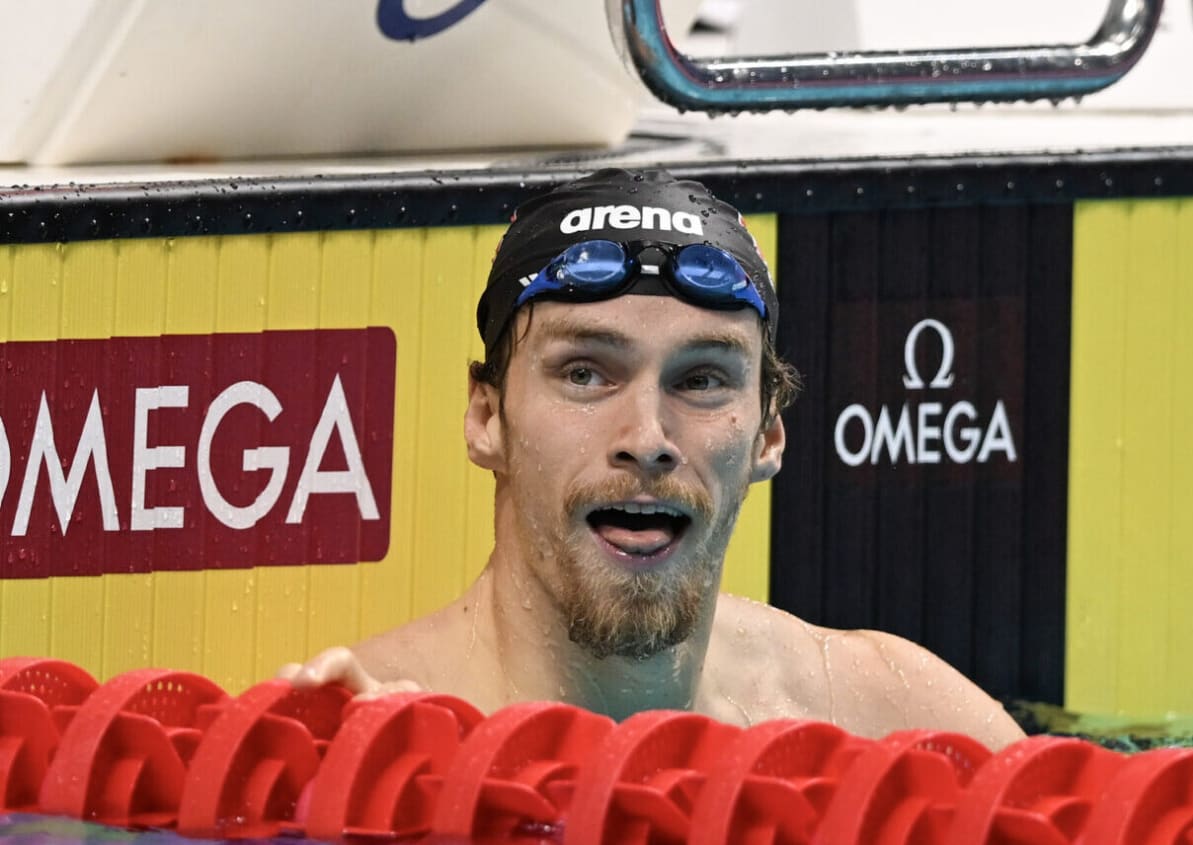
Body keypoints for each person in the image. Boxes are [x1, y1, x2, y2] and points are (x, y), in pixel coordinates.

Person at [280, 168, 1024, 750]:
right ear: (486, 417)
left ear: (768, 432)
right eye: (585, 373)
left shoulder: (892, 722)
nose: (647, 434)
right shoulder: (365, 743)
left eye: (701, 379)